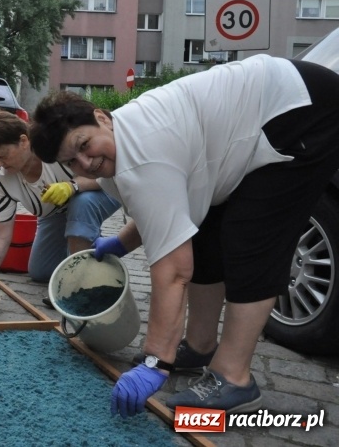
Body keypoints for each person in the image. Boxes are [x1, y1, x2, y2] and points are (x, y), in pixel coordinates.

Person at [29, 56, 339, 418]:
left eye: (84, 145)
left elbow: (174, 271)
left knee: (251, 240)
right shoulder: (117, 151)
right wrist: (122, 242)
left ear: (101, 118)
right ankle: (199, 346)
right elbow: (166, 210)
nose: (85, 164)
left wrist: (155, 360)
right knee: (205, 233)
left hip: (300, 109)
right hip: (257, 121)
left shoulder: (143, 154)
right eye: (72, 161)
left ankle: (234, 380)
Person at [0, 108, 121, 301]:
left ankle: (80, 281)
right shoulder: (3, 179)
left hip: (102, 191)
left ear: (23, 141)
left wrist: (72, 186)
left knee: (81, 204)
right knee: (40, 271)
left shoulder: (54, 150)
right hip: (56, 214)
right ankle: (91, 248)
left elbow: (102, 175)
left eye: (3, 155)